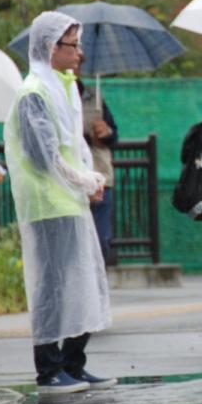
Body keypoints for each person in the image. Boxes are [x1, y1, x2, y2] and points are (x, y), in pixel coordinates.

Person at [4, 12, 115, 393]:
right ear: (52, 47)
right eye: (72, 45)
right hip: (47, 201)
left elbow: (75, 144)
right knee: (51, 284)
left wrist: (89, 179)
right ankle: (49, 370)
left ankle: (73, 362)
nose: (79, 53)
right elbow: (43, 155)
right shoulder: (33, 91)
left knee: (80, 280)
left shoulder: (64, 85)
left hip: (69, 199)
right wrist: (83, 180)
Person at [79, 75, 118, 267]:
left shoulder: (95, 98)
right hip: (75, 179)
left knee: (102, 238)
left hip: (101, 175)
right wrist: (85, 136)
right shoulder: (54, 96)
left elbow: (114, 135)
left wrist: (105, 132)